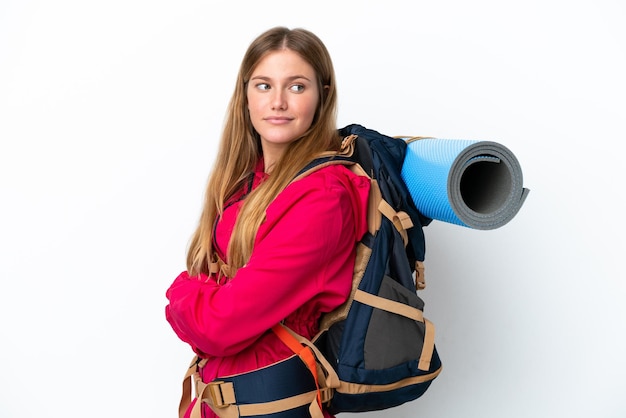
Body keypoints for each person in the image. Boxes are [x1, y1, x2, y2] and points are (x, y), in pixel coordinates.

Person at [165, 26, 370, 418]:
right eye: (263, 86)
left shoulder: (323, 196)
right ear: (245, 96)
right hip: (221, 400)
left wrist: (180, 294)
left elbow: (220, 326)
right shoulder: (244, 182)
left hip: (275, 405)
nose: (278, 102)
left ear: (322, 96)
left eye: (296, 87)